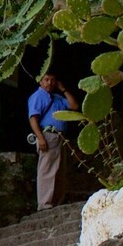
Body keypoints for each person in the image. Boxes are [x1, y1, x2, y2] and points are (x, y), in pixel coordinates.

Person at [28, 73, 80, 210]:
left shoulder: (57, 98)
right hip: (47, 135)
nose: (49, 82)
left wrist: (63, 89)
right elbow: (33, 118)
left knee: (59, 170)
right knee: (47, 169)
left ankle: (56, 202)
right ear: (40, 81)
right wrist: (40, 138)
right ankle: (45, 204)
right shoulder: (38, 96)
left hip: (60, 137)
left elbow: (74, 106)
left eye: (52, 80)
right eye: (46, 79)